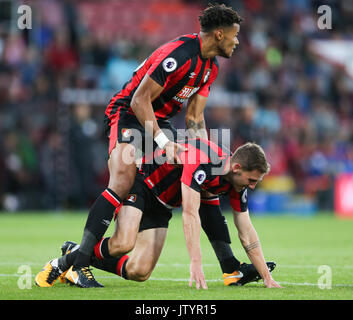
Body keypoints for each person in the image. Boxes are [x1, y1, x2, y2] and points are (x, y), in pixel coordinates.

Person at [67, 3, 244, 286]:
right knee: (122, 180)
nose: (238, 41)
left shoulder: (210, 69)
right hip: (127, 112)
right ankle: (77, 265)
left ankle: (229, 266)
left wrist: (206, 157)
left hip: (158, 123)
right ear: (220, 34)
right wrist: (163, 141)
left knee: (190, 178)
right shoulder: (180, 54)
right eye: (235, 35)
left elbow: (195, 119)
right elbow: (139, 100)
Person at [35, 140, 281, 289]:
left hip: (162, 206)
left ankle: (77, 251)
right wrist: (196, 262)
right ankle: (61, 264)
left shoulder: (235, 182)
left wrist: (267, 278)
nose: (252, 186)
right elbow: (190, 214)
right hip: (142, 185)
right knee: (123, 243)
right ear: (237, 168)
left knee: (139, 272)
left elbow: (246, 230)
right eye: (251, 180)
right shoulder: (205, 162)